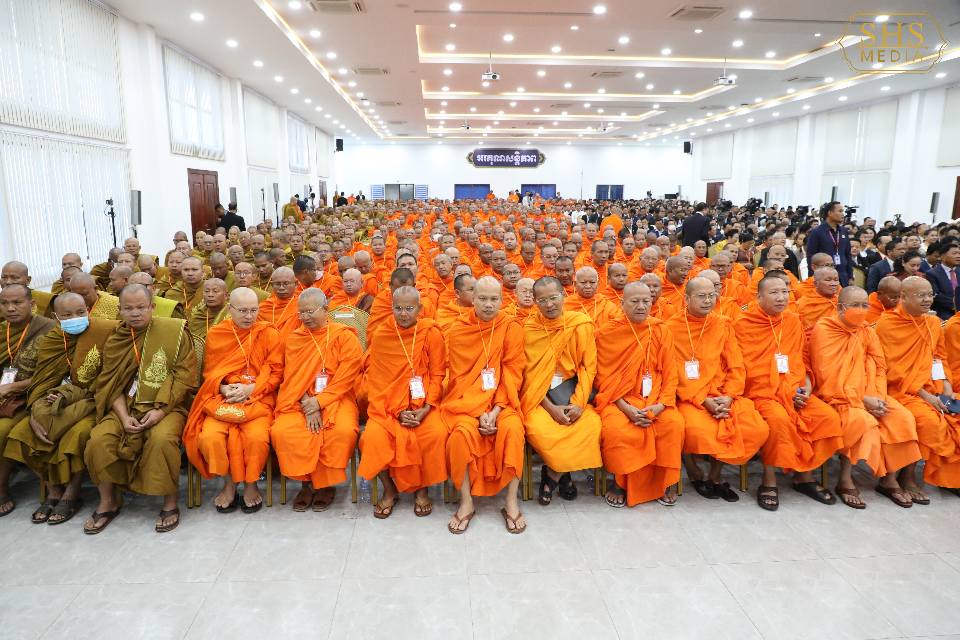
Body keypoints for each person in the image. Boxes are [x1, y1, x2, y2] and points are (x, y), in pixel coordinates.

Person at [82, 284, 198, 533]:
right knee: (99, 440)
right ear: (120, 310)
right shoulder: (115, 338)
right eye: (128, 308)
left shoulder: (173, 331)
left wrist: (160, 411)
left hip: (168, 405)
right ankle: (108, 501)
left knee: (161, 439)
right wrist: (124, 417)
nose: (135, 313)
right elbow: (109, 383)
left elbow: (184, 377)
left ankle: (169, 502)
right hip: (125, 406)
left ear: (152, 307)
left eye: (141, 307)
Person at [3, 293, 117, 524]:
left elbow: (111, 376)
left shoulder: (104, 331)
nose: (75, 318)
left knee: (75, 435)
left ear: (88, 310)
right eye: (67, 315)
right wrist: (35, 412)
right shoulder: (52, 340)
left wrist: (75, 395)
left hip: (91, 402)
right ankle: (53, 490)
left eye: (80, 312)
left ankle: (71, 494)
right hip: (53, 402)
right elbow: (41, 380)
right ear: (56, 317)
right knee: (23, 432)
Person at [735, 274, 844, 510]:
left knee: (827, 418)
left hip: (795, 389)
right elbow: (743, 368)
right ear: (759, 296)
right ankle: (769, 479)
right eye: (774, 293)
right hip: (761, 393)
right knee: (777, 421)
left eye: (785, 292)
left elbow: (802, 359)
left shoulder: (793, 320)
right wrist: (779, 391)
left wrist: (806, 386)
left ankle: (804, 476)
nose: (781, 297)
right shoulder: (743, 323)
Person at [808, 286, 921, 508]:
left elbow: (880, 366)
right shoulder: (825, 329)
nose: (861, 310)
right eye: (855, 305)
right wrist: (862, 400)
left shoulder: (867, 330)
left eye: (864, 305)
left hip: (870, 393)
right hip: (838, 397)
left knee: (903, 418)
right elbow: (827, 375)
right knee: (861, 420)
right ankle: (845, 479)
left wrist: (876, 397)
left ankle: (889, 479)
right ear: (841, 308)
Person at [665, 277, 769, 501]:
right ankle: (692, 467)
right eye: (701, 296)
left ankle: (715, 474)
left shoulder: (722, 324)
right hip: (689, 396)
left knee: (756, 428)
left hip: (723, 394)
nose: (707, 301)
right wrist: (702, 399)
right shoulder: (671, 327)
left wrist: (729, 396)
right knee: (696, 430)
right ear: (687, 299)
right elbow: (671, 371)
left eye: (712, 296)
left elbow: (736, 365)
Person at [182, 287, 279, 513]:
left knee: (256, 438)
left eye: (253, 310)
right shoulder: (217, 334)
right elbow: (210, 374)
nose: (249, 316)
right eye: (243, 310)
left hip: (258, 397)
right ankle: (229, 483)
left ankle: (251, 484)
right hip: (223, 398)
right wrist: (224, 388)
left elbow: (277, 372)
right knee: (210, 438)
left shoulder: (269, 333)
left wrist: (251, 389)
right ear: (229, 309)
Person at [443, 277, 526, 534]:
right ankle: (466, 502)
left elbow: (513, 372)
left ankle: (510, 501)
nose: (488, 305)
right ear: (473, 299)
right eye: (482, 299)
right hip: (466, 404)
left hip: (503, 401)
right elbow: (458, 379)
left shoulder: (510, 327)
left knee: (513, 430)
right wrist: (479, 412)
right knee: (459, 435)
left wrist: (496, 409)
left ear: (502, 300)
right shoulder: (459, 330)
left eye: (493, 299)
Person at [358, 286, 447, 518]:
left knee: (434, 434)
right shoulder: (382, 334)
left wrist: (426, 408)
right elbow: (377, 381)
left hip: (425, 405)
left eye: (409, 308)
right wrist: (397, 411)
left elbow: (438, 374)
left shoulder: (430, 333)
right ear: (391, 308)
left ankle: (421, 489)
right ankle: (390, 490)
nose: (403, 313)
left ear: (420, 308)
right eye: (398, 308)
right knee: (371, 438)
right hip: (388, 408)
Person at [272, 288, 363, 511]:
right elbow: (292, 377)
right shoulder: (294, 339)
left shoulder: (344, 336)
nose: (305, 317)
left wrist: (320, 402)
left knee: (340, 432)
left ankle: (325, 485)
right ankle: (306, 484)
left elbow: (346, 378)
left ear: (325, 309)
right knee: (282, 431)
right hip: (300, 399)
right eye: (301, 313)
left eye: (310, 311)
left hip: (337, 397)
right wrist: (308, 404)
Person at [595, 281, 684, 507]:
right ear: (622, 303)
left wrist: (661, 405)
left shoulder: (661, 329)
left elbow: (671, 372)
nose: (641, 306)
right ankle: (620, 483)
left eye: (646, 301)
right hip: (618, 400)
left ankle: (664, 482)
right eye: (635, 301)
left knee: (672, 425)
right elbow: (602, 377)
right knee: (617, 430)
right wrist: (626, 408)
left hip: (656, 399)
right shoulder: (607, 333)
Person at [876, 276, 960, 501]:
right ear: (903, 297)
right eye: (921, 295)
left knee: (955, 415)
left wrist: (946, 385)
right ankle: (907, 477)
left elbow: (939, 358)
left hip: (931, 386)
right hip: (899, 390)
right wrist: (925, 395)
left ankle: (950, 479)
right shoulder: (887, 324)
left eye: (930, 295)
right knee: (929, 421)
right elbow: (892, 369)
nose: (927, 300)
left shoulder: (933, 323)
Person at [521, 277, 602, 505]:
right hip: (539, 400)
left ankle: (552, 475)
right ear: (535, 301)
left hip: (573, 394)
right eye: (542, 300)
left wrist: (578, 403)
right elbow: (526, 376)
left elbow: (588, 367)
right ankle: (562, 476)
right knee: (539, 429)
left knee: (590, 424)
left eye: (554, 298)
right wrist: (551, 408)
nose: (549, 304)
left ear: (564, 295)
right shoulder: (528, 330)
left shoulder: (580, 324)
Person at [0, 284, 55, 516]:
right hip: (2, 394)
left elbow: (51, 373)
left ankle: (1, 487)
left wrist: (13, 387)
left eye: (17, 303)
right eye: (4, 303)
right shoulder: (2, 330)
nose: (10, 308)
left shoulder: (49, 329)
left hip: (31, 396)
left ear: (32, 304)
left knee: (3, 431)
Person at [805, 201, 852, 286]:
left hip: (843, 276)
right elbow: (811, 256)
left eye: (843, 211)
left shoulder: (843, 231)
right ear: (830, 213)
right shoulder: (817, 232)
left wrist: (850, 276)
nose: (843, 214)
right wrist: (813, 277)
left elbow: (848, 254)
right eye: (840, 211)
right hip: (824, 277)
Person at [257, 266, 301, 339]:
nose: (281, 288)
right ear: (272, 285)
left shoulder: (302, 306)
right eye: (277, 284)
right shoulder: (263, 307)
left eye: (286, 283)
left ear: (296, 284)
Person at [797, 267, 841, 332]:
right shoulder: (803, 304)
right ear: (816, 284)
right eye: (828, 280)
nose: (833, 284)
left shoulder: (842, 301)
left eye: (836, 280)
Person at [926, 242, 960, 321]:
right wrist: (957, 305)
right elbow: (936, 296)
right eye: (954, 253)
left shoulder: (959, 271)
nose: (958, 256)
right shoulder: (932, 273)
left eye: (959, 253)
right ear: (942, 256)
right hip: (944, 313)